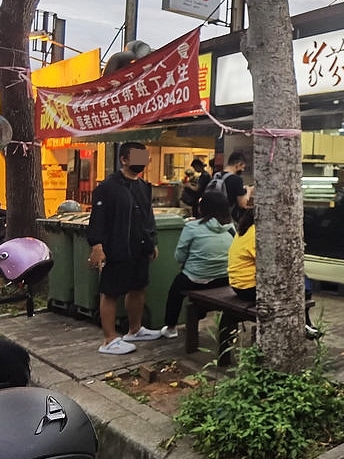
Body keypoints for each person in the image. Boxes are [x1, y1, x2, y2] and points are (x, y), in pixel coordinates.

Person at [87, 142, 162, 355]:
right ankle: (109, 339)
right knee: (110, 291)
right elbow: (98, 218)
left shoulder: (143, 186)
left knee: (138, 287)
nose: (142, 162)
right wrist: (97, 245)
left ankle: (135, 329)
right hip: (116, 246)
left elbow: (148, 217)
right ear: (124, 159)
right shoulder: (107, 187)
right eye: (137, 157)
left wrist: (152, 241)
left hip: (140, 246)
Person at [227, 206, 319, 336]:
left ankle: (305, 323)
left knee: (301, 282)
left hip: (239, 285)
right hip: (249, 288)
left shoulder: (245, 230)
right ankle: (304, 324)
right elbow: (272, 264)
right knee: (302, 283)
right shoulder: (258, 235)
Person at [159, 191, 234, 339]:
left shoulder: (192, 227)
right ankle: (198, 318)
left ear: (203, 208)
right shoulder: (231, 228)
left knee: (176, 289)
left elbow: (179, 256)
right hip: (224, 279)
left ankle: (171, 327)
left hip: (197, 279)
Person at [220, 151, 253, 223]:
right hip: (228, 218)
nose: (242, 170)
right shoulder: (237, 179)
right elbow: (242, 204)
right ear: (238, 164)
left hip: (214, 216)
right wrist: (248, 191)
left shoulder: (217, 175)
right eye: (242, 167)